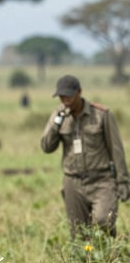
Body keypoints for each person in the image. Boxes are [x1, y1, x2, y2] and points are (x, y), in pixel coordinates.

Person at [40, 74, 130, 237]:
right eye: (61, 96)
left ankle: (109, 259)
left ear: (79, 92)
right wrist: (56, 126)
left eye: (68, 95)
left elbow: (116, 149)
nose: (65, 100)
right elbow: (46, 147)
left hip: (101, 180)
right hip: (73, 182)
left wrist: (123, 180)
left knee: (104, 222)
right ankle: (84, 262)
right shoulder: (58, 116)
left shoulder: (101, 114)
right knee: (79, 232)